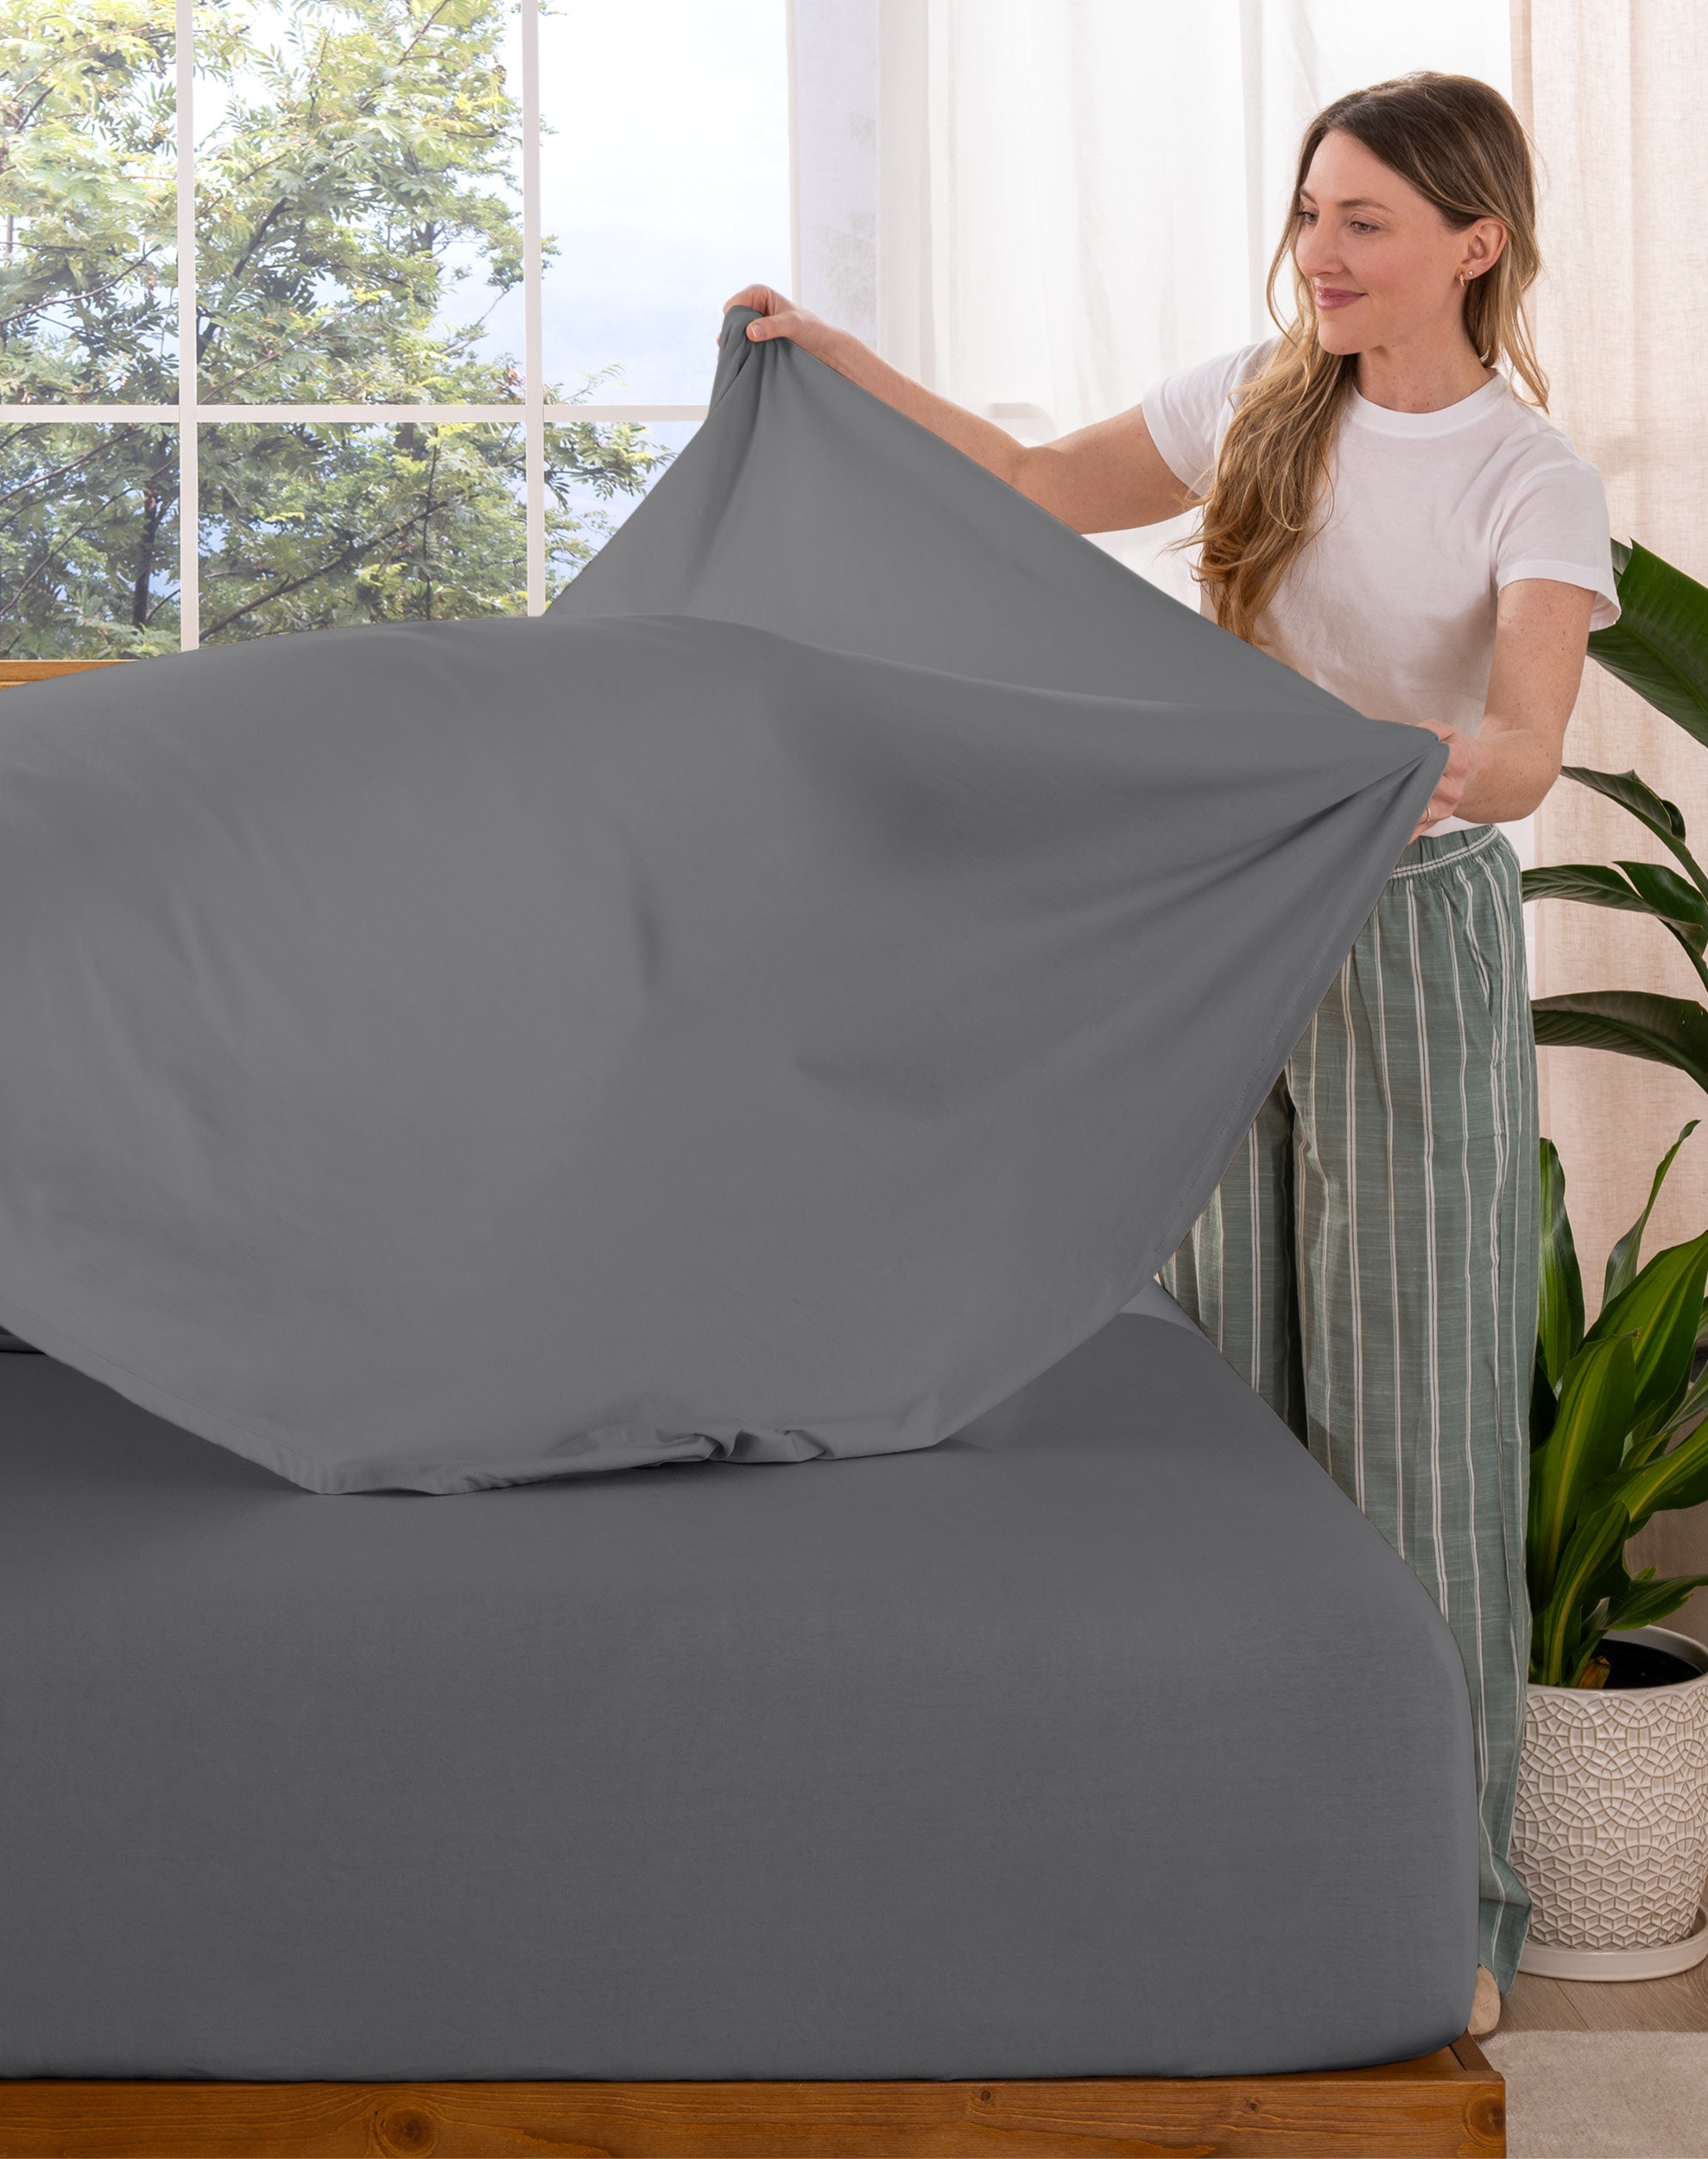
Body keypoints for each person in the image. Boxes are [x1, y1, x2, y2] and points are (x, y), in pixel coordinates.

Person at [725, 71, 1618, 2039]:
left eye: (1364, 219)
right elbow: (1036, 490)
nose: (1318, 250)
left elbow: (1525, 750)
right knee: (1219, 1408)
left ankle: (1447, 1889)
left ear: (1472, 242)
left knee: (1408, 1433)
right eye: (1308, 211)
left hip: (1399, 927)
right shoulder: (1253, 396)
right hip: (1216, 918)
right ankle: (1239, 1855)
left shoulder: (1524, 474)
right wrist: (839, 360)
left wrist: (1374, 768)